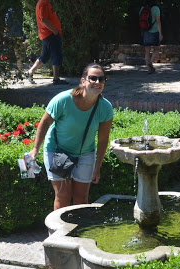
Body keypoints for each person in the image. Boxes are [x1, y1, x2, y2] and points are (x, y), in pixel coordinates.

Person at [28, 63, 114, 210]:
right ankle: (58, 232)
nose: (98, 82)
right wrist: (35, 149)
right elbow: (45, 123)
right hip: (57, 150)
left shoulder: (105, 107)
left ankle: (78, 231)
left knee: (82, 198)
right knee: (63, 196)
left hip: (85, 153)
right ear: (83, 81)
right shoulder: (63, 100)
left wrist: (97, 167)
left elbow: (103, 139)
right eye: (93, 78)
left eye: (102, 79)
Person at [27, 0, 67, 85]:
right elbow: (44, 19)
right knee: (56, 54)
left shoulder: (44, 2)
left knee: (45, 56)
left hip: (46, 34)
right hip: (49, 34)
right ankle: (56, 78)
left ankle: (30, 72)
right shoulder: (43, 3)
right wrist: (55, 31)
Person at [140, 1, 163, 74]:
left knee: (147, 51)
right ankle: (150, 62)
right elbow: (158, 22)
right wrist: (160, 33)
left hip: (145, 31)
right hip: (155, 31)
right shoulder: (156, 8)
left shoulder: (142, 8)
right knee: (157, 49)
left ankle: (149, 69)